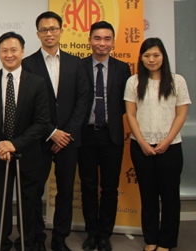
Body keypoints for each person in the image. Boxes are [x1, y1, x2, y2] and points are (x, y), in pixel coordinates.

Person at [22, 11, 90, 251]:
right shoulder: (27, 64)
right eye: (43, 29)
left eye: (53, 29)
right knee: (33, 192)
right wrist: (51, 132)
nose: (48, 33)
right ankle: (36, 239)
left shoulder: (76, 63)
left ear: (62, 30)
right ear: (38, 33)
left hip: (69, 141)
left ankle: (60, 239)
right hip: (39, 140)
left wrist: (66, 134)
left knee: (65, 193)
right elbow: (26, 105)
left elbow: (83, 100)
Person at [0, 32, 49, 251]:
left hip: (28, 153)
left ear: (23, 52)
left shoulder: (37, 82)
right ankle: (2, 242)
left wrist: (14, 144)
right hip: (0, 153)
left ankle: (26, 242)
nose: (9, 55)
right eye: (4, 50)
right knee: (3, 201)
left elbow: (41, 122)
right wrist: (0, 144)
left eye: (14, 50)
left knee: (28, 201)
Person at [125, 38, 191, 251]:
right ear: (141, 58)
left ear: (163, 56)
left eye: (156, 55)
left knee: (170, 196)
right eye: (146, 56)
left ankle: (167, 241)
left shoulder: (176, 81)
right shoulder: (133, 82)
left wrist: (167, 140)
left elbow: (181, 114)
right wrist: (143, 142)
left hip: (170, 147)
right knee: (148, 195)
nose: (151, 60)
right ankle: (151, 239)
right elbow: (131, 114)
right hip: (141, 147)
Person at [78, 21, 131, 251]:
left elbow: (124, 103)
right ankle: (92, 233)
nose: (102, 43)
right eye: (97, 38)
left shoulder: (123, 68)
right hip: (85, 136)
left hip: (112, 135)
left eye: (107, 38)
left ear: (113, 42)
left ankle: (105, 234)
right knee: (88, 186)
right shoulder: (78, 67)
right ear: (89, 40)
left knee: (109, 187)